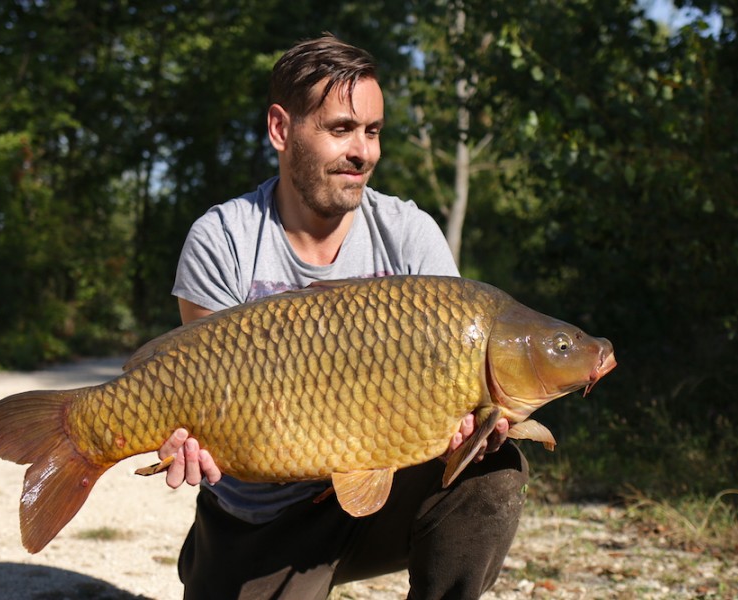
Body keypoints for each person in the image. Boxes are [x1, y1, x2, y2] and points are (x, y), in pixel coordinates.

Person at [159, 34, 529, 600]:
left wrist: (468, 431)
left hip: (383, 499)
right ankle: (213, 556)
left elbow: (456, 392)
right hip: (265, 518)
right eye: (340, 129)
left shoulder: (409, 234)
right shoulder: (223, 239)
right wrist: (191, 437)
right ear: (282, 130)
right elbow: (203, 394)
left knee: (494, 473)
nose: (363, 151)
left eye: (373, 131)